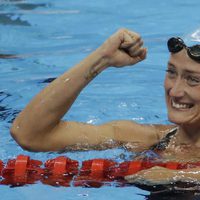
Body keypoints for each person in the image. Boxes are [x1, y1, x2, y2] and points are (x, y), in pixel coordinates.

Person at [10, 28, 200, 185]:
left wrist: (179, 175)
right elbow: (29, 135)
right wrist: (102, 60)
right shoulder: (145, 139)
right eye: (171, 72)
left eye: (193, 80)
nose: (174, 91)